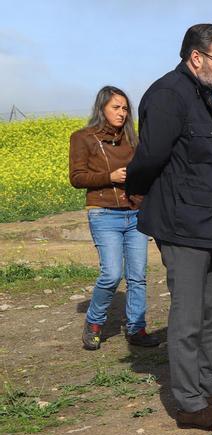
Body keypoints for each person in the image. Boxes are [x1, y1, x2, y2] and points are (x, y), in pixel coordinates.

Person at [126, 23, 212, 431]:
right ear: (196, 57)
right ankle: (188, 404)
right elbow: (150, 158)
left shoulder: (204, 97)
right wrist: (137, 192)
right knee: (187, 316)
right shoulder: (169, 95)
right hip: (184, 225)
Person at [69, 86, 160, 351]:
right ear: (102, 109)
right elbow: (76, 178)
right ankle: (94, 323)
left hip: (135, 214)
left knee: (138, 276)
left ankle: (136, 329)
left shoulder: (133, 140)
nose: (122, 113)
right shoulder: (83, 138)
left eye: (125, 108)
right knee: (111, 274)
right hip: (104, 213)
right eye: (115, 108)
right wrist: (108, 178)